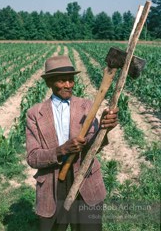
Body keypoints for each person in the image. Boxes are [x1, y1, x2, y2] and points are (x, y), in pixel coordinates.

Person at [26, 55, 118, 231]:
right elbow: (32, 157)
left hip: (86, 179)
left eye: (71, 80)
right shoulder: (34, 114)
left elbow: (94, 148)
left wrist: (104, 129)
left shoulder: (86, 107)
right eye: (62, 81)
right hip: (52, 184)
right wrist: (60, 150)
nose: (68, 85)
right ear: (49, 83)